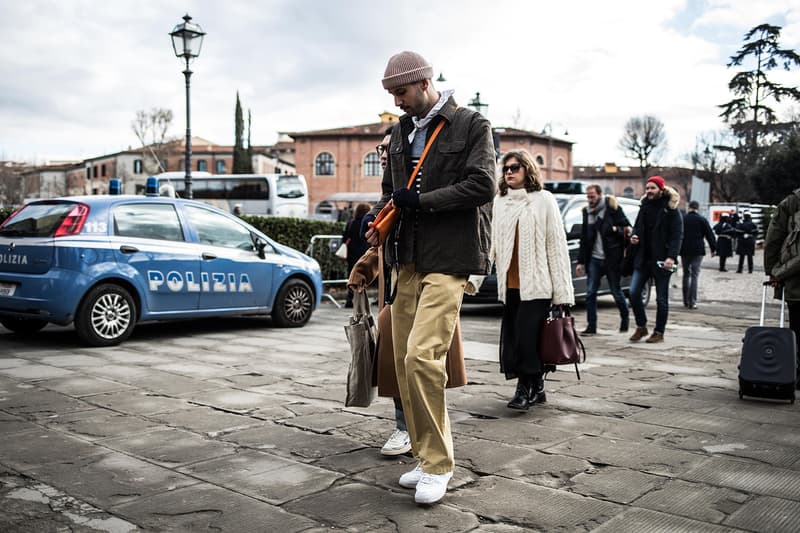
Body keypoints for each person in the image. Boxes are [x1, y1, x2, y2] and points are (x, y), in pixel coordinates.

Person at [362, 50, 495, 505]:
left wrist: (423, 201)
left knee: (421, 356)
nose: (396, 102)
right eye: (391, 94)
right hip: (406, 259)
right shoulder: (399, 132)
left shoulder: (472, 125)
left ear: (423, 82)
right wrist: (377, 218)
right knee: (402, 363)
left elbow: (483, 185)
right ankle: (422, 457)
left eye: (400, 92)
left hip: (451, 258)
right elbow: (391, 192)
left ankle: (438, 465)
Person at [492, 150, 574, 410]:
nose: (509, 172)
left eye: (515, 167)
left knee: (527, 339)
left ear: (527, 169)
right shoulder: (500, 201)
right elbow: (493, 245)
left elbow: (556, 246)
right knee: (517, 339)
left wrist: (563, 293)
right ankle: (537, 387)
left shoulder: (544, 200)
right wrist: (474, 277)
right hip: (510, 286)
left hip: (537, 285)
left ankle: (524, 390)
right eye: (505, 168)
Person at [627, 176, 683, 343]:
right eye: (647, 188)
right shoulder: (644, 207)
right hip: (643, 258)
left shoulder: (671, 209)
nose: (649, 191)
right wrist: (634, 237)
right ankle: (641, 326)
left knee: (661, 299)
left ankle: (659, 332)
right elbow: (636, 227)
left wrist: (671, 257)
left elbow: (677, 236)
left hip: (662, 261)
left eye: (652, 188)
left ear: (661, 189)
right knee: (634, 292)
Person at [575, 184, 631, 334]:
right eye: (588, 196)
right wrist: (581, 261)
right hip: (594, 258)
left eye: (592, 196)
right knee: (590, 292)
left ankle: (625, 319)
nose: (590, 199)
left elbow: (627, 228)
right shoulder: (587, 212)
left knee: (616, 291)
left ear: (599, 195)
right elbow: (584, 238)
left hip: (611, 258)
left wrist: (615, 229)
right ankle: (591, 326)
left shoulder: (612, 208)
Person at [764, 190, 800, 390]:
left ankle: (795, 373)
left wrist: (774, 272)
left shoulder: (792, 202)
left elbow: (774, 237)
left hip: (796, 281)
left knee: (797, 330)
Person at [679, 200, 716, 309]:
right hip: (698, 250)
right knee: (694, 275)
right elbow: (709, 234)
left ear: (689, 207)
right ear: (697, 208)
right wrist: (713, 248)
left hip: (684, 249)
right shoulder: (702, 220)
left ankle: (685, 300)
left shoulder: (682, 219)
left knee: (686, 274)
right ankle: (692, 301)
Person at [341, 203, 372, 308]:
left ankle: (349, 299)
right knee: (363, 277)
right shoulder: (368, 223)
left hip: (352, 253)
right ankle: (361, 301)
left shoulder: (351, 223)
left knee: (351, 275)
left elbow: (344, 238)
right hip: (364, 253)